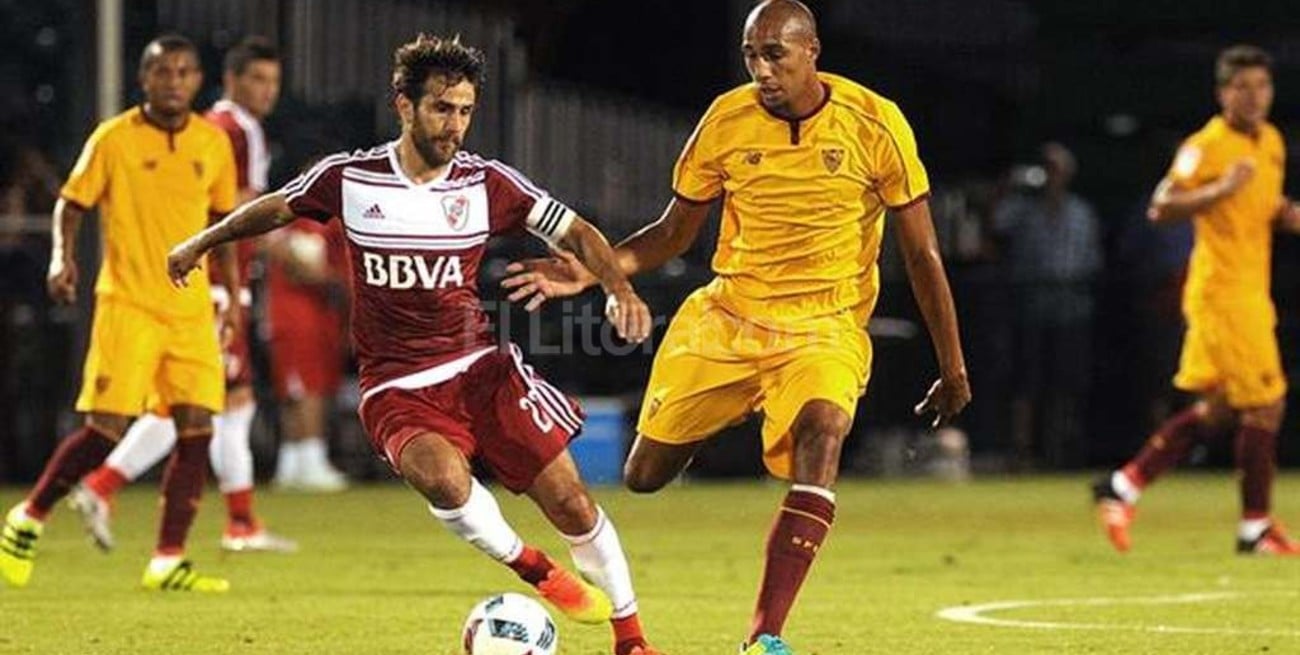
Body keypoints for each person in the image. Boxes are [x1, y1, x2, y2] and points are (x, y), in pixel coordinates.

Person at [164, 34, 665, 655]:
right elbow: (271, 209)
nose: (455, 125)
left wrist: (617, 288)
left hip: (478, 365)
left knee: (570, 499)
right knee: (443, 480)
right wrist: (199, 243)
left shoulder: (486, 183)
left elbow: (577, 231)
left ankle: (632, 637)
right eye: (441, 109)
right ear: (404, 105)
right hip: (397, 382)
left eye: (464, 111)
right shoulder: (350, 178)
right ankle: (534, 568)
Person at [503, 2, 971, 653]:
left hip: (823, 327)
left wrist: (953, 366)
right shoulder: (726, 119)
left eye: (774, 54)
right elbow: (672, 232)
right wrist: (595, 270)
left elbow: (922, 255)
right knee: (644, 474)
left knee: (824, 432)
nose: (761, 69)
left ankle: (765, 634)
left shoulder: (875, 122)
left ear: (812, 50)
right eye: (752, 55)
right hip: (729, 318)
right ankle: (731, 409)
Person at [0, 35, 239, 592]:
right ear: (145, 78)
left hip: (191, 310)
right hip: (128, 303)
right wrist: (62, 257)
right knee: (105, 431)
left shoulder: (212, 143)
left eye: (184, 71)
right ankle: (27, 517)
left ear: (197, 80)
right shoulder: (114, 138)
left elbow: (225, 229)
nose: (174, 81)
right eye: (164, 72)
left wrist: (231, 298)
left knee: (198, 429)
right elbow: (72, 201)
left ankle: (167, 559)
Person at [69, 36, 296, 554]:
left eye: (274, 82)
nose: (267, 92)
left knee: (229, 401)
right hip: (209, 286)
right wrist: (285, 228)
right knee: (199, 402)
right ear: (231, 80)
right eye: (258, 79)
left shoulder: (212, 130)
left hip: (212, 283)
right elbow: (233, 209)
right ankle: (105, 484)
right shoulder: (234, 130)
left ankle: (240, 522)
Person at [1092, 44, 1300, 556]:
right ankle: (1254, 527)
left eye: (1262, 86)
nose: (1254, 97)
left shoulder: (1271, 142)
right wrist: (1220, 189)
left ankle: (1124, 486)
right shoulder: (1206, 146)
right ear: (1222, 93)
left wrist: (1281, 213)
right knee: (1267, 404)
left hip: (1251, 291)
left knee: (1218, 410)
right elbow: (1161, 207)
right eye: (1242, 87)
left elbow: (1258, 205)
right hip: (1222, 294)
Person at [993, 142, 1102, 469]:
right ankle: (1023, 450)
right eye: (1046, 169)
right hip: (1032, 305)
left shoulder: (1082, 213)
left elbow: (1092, 259)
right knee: (1027, 381)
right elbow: (996, 224)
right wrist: (1008, 185)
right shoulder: (1022, 209)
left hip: (1071, 308)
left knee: (1067, 383)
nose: (1051, 176)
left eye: (1057, 169)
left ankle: (1062, 450)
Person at [263, 214, 350, 491]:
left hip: (306, 315)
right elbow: (307, 268)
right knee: (306, 389)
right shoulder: (309, 224)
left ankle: (291, 463)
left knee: (295, 391)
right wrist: (339, 280)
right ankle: (312, 461)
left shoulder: (286, 224)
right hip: (299, 316)